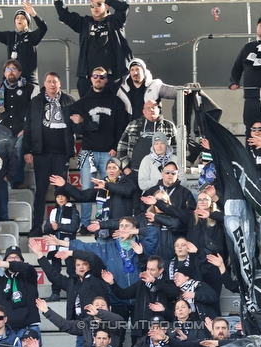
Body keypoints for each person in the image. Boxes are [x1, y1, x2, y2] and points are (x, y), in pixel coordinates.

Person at [70, 66, 130, 227]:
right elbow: (73, 126)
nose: (98, 79)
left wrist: (116, 146)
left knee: (109, 189)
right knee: (86, 189)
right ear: (90, 78)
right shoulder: (82, 103)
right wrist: (84, 126)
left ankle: (106, 222)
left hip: (109, 153)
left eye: (102, 77)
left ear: (106, 80)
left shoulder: (116, 101)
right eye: (95, 76)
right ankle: (84, 224)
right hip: (87, 151)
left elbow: (122, 126)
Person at [23, 71, 76, 237]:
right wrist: (27, 150)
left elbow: (77, 125)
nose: (52, 84)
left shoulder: (69, 101)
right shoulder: (35, 102)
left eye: (55, 82)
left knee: (61, 191)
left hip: (61, 153)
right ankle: (37, 226)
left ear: (59, 84)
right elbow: (29, 128)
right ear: (44, 84)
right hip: (41, 153)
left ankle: (63, 224)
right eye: (49, 81)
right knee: (41, 191)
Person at [54, 0, 132, 97]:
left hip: (111, 77)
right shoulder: (84, 23)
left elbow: (123, 7)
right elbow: (64, 16)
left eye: (99, 4)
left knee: (111, 107)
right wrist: (58, 1)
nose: (95, 7)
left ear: (106, 6)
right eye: (92, 5)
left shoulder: (115, 21)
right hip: (87, 78)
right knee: (86, 108)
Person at [0, 2, 48, 86]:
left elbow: (43, 28)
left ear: (28, 22)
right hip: (11, 79)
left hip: (29, 80)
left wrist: (33, 14)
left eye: (23, 18)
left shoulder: (32, 36)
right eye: (17, 18)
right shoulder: (10, 36)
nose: (19, 19)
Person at [116, 100, 177, 173]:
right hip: (134, 170)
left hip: (160, 172)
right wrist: (125, 168)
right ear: (143, 111)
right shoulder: (133, 124)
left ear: (159, 110)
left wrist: (170, 169)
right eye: (148, 108)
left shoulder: (169, 126)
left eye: (153, 107)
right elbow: (122, 146)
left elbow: (176, 149)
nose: (151, 110)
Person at [116, 57, 184, 119]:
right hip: (131, 128)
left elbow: (169, 91)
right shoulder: (122, 90)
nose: (135, 73)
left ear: (144, 71)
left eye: (137, 69)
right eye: (132, 70)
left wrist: (182, 90)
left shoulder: (155, 85)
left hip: (151, 127)